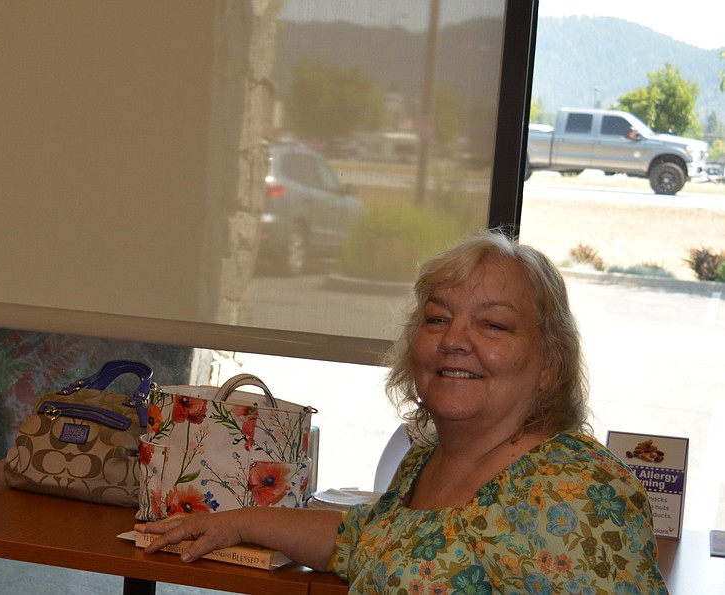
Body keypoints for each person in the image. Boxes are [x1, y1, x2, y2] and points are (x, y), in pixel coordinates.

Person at [135, 231, 668, 593]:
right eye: (437, 320)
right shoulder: (428, 462)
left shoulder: (576, 493)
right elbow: (363, 539)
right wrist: (235, 522)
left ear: (550, 363)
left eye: (494, 325)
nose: (454, 341)